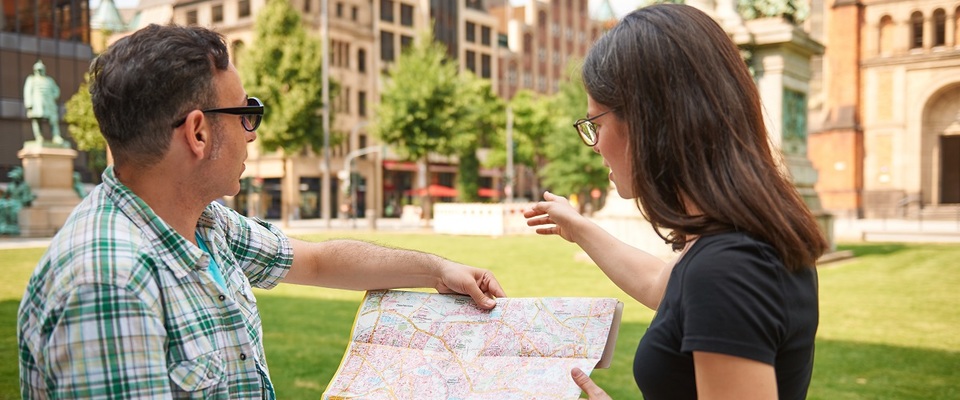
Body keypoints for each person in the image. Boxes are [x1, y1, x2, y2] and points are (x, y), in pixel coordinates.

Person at [18, 24, 505, 399]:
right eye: (245, 113)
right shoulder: (110, 283)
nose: (252, 132)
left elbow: (316, 261)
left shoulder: (205, 223)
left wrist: (438, 270)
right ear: (198, 133)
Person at [523, 5, 827, 400]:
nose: (595, 145)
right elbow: (663, 286)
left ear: (649, 122)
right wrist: (579, 227)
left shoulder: (729, 267)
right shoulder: (731, 239)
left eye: (596, 124)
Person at [23, 60, 64, 145]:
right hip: (37, 103)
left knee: (53, 120)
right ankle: (39, 136)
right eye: (38, 70)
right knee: (37, 120)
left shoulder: (49, 80)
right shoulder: (31, 79)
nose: (39, 71)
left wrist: (53, 96)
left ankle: (56, 136)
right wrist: (29, 104)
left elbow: (56, 90)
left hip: (49, 103)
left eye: (41, 69)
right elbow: (27, 91)